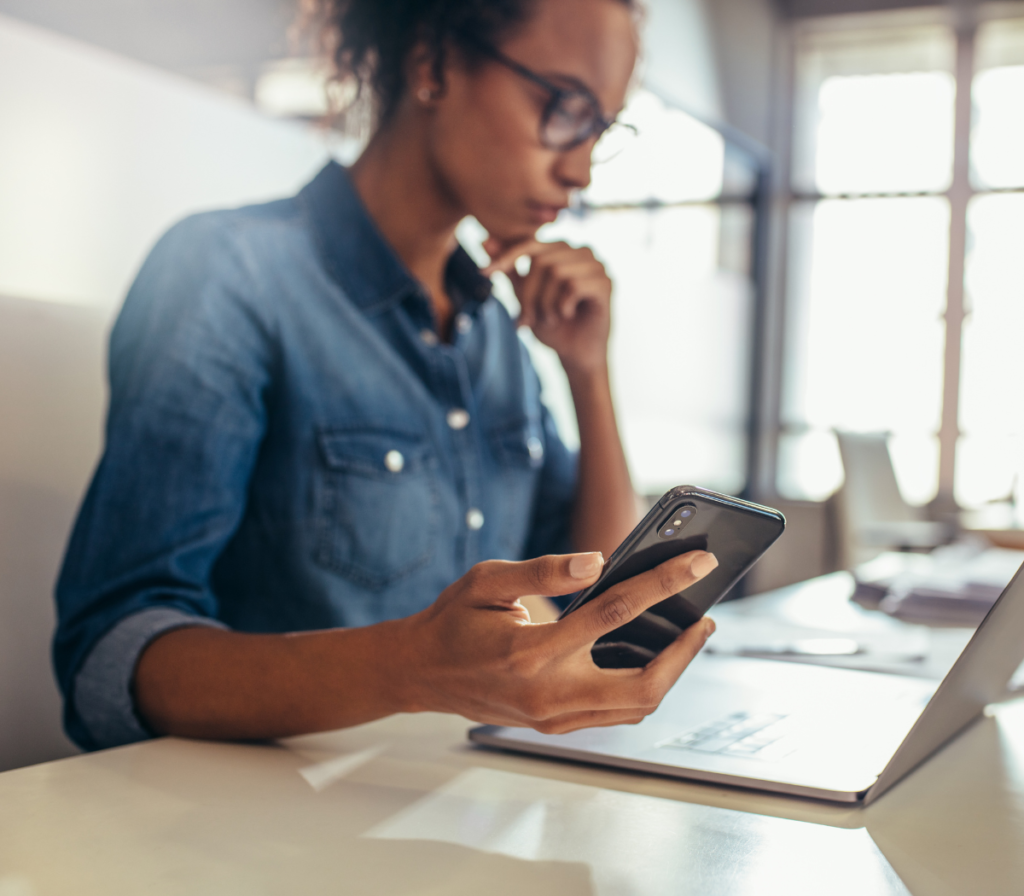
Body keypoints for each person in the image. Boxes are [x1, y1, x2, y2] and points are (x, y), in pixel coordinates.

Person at [53, 0, 718, 752]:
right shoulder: (229, 273)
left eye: (600, 126)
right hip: (262, 836)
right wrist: (414, 668)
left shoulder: (493, 329)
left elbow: (598, 601)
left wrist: (588, 372)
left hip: (454, 808)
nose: (580, 166)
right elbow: (108, 660)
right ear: (432, 61)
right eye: (562, 106)